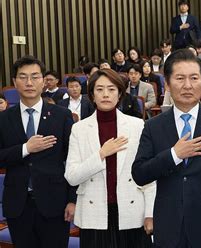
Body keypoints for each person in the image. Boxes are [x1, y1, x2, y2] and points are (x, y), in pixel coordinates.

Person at [131, 49, 201, 248]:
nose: (187, 85)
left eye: (194, 78)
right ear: (167, 83)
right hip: (168, 225)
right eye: (180, 78)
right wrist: (174, 155)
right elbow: (140, 173)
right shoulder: (154, 125)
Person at [64, 68, 156, 247]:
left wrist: (150, 213)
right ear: (91, 94)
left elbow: (148, 176)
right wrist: (101, 154)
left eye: (111, 89)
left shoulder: (137, 125)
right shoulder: (79, 129)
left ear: (120, 93)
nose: (105, 94)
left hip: (132, 211)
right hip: (94, 213)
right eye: (99, 89)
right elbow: (72, 176)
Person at [0, 55, 76, 247]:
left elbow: (73, 160)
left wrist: (72, 200)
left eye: (35, 76)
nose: (29, 82)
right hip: (18, 206)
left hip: (55, 204)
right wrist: (26, 148)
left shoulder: (62, 116)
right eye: (23, 77)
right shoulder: (4, 119)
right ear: (14, 82)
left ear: (44, 81)